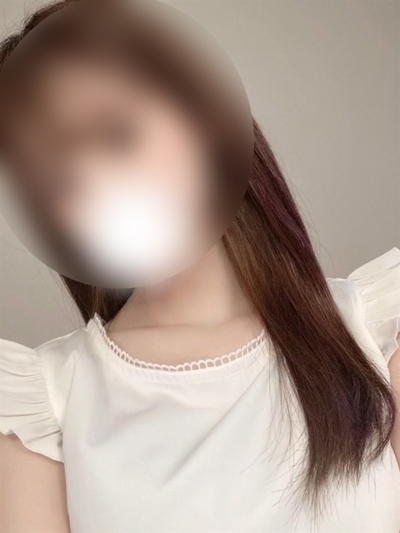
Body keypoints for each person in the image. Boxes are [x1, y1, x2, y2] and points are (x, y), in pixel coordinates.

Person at [0, 1, 399, 532]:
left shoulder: (373, 333)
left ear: (203, 117)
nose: (99, 186)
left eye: (118, 133)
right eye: (59, 182)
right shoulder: (42, 407)